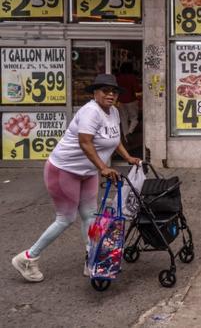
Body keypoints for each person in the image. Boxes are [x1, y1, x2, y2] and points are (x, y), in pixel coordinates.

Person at [11, 73, 141, 282]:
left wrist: (128, 157)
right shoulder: (90, 112)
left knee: (90, 215)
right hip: (64, 170)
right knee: (66, 218)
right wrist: (103, 168)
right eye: (105, 91)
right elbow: (85, 142)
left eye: (114, 91)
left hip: (87, 172)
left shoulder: (114, 112)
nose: (110, 95)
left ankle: (92, 259)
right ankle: (28, 257)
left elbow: (114, 138)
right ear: (95, 93)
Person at [115, 62, 141, 143]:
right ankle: (129, 132)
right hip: (131, 100)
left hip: (120, 100)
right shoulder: (132, 77)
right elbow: (137, 89)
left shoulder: (118, 77)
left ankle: (126, 139)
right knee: (134, 119)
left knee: (123, 119)